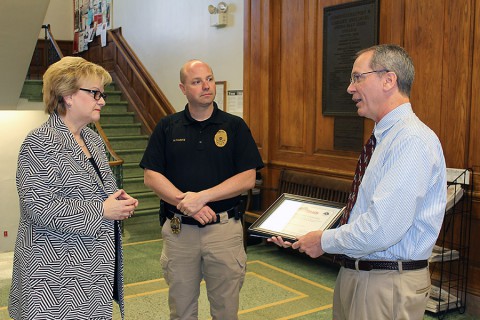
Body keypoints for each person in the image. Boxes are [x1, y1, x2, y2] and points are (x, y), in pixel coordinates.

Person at [269, 44, 447, 319]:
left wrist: (324, 241)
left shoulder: (411, 140)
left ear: (389, 80)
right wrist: (310, 233)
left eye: (357, 77)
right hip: (359, 273)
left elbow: (382, 229)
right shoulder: (385, 138)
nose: (350, 88)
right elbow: (366, 212)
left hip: (385, 284)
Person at [9, 56, 139, 320]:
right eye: (95, 93)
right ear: (67, 95)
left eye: (102, 94)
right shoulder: (40, 142)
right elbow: (39, 208)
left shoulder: (91, 138)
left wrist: (118, 200)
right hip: (54, 278)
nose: (102, 100)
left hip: (92, 273)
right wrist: (102, 210)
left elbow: (97, 190)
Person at [140, 59, 264, 319]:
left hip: (223, 232)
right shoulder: (167, 127)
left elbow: (247, 178)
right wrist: (187, 204)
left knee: (226, 310)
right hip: (179, 233)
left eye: (209, 79)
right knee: (182, 310)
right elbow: (151, 176)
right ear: (183, 88)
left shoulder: (234, 126)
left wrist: (203, 198)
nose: (206, 86)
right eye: (197, 82)